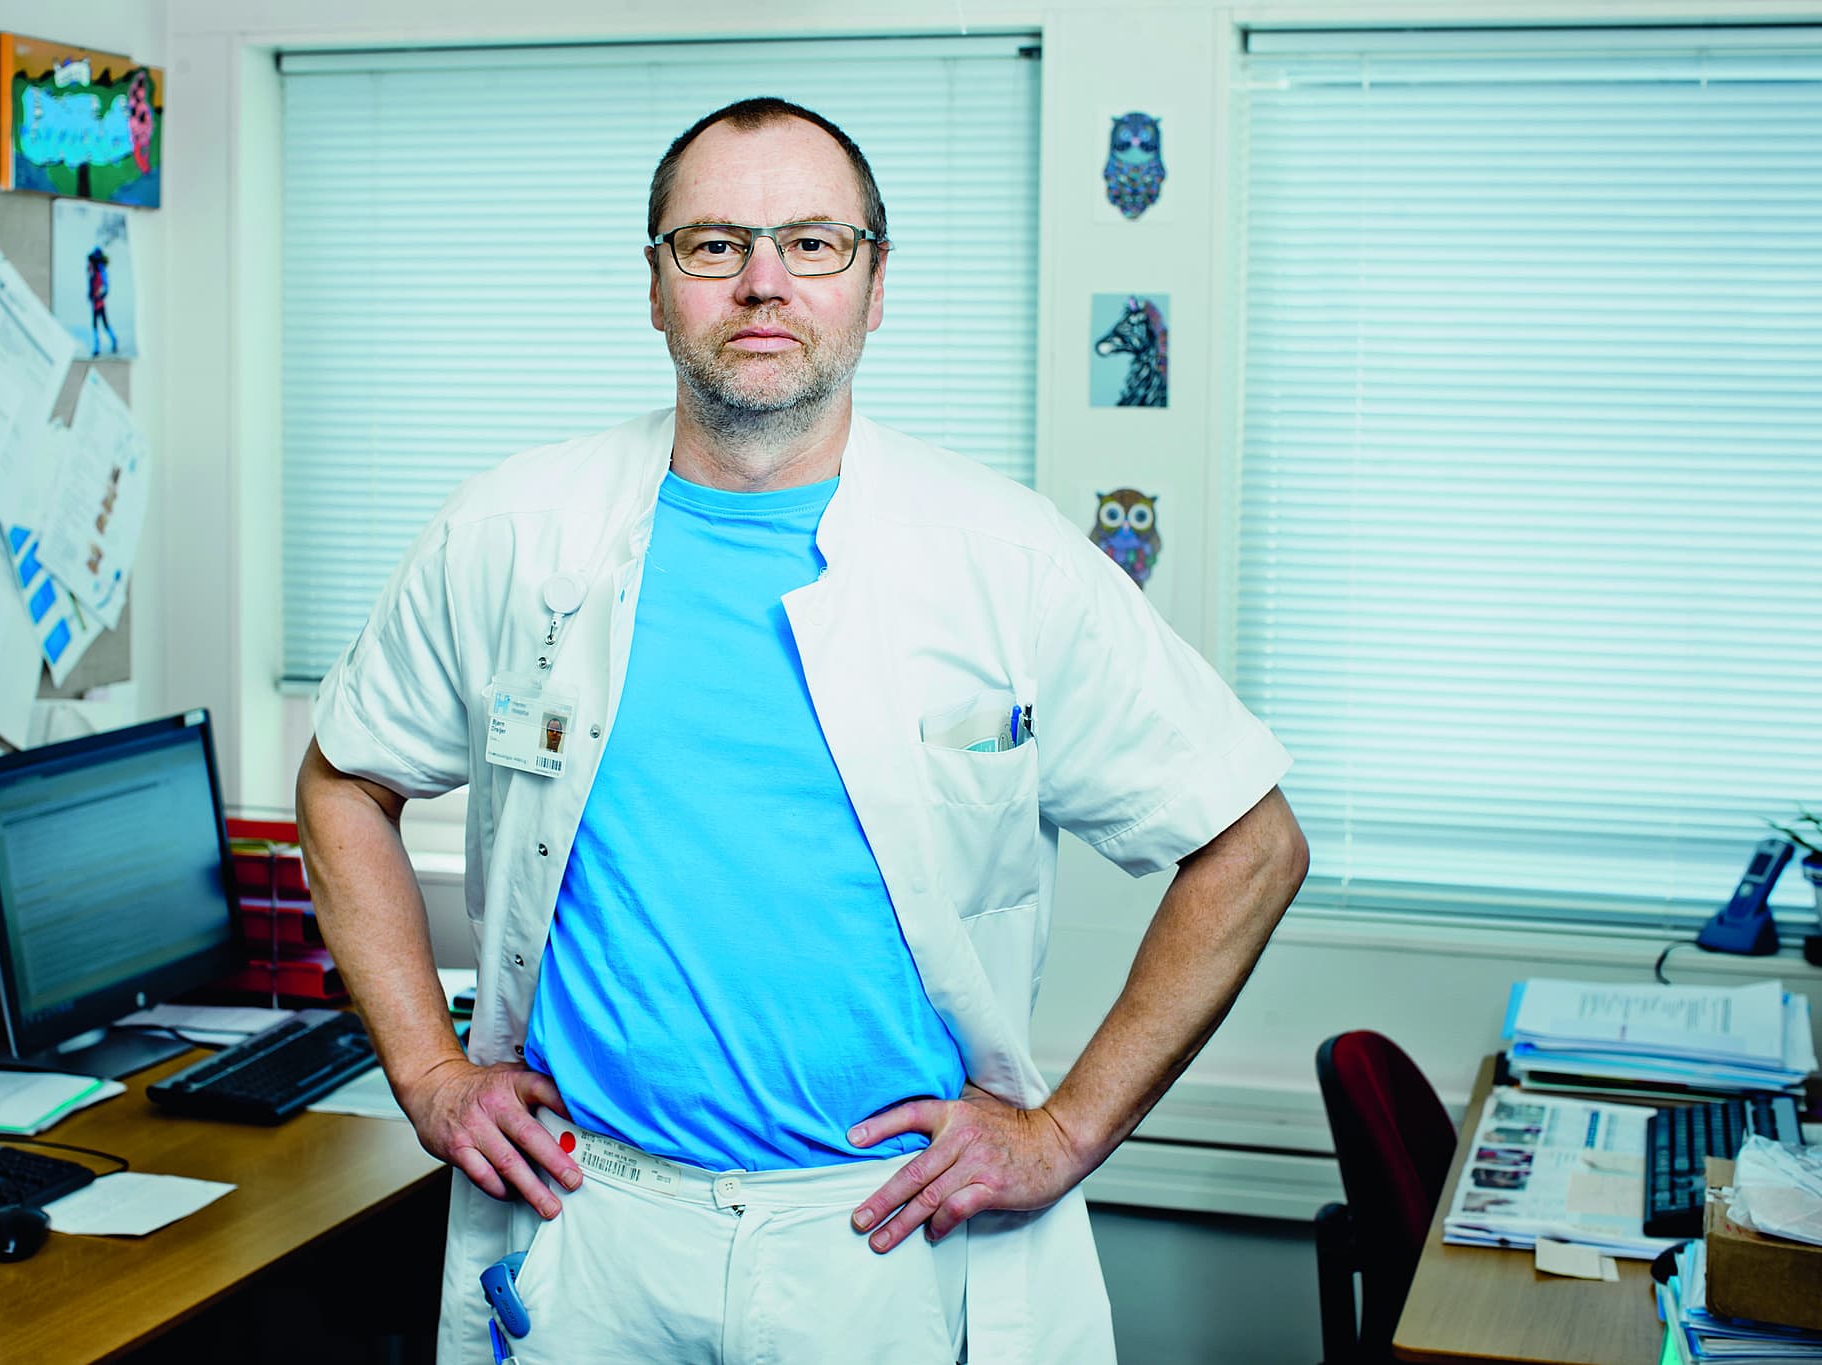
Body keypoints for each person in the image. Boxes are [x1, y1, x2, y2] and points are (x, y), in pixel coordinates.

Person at [298, 96, 1308, 1364]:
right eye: (712, 244)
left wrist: (1063, 1134)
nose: (762, 282)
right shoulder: (511, 532)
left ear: (874, 285)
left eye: (814, 243)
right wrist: (431, 1076)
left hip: (885, 1242)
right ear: (656, 287)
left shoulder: (1006, 561)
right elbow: (343, 784)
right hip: (584, 1225)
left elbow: (1250, 845)